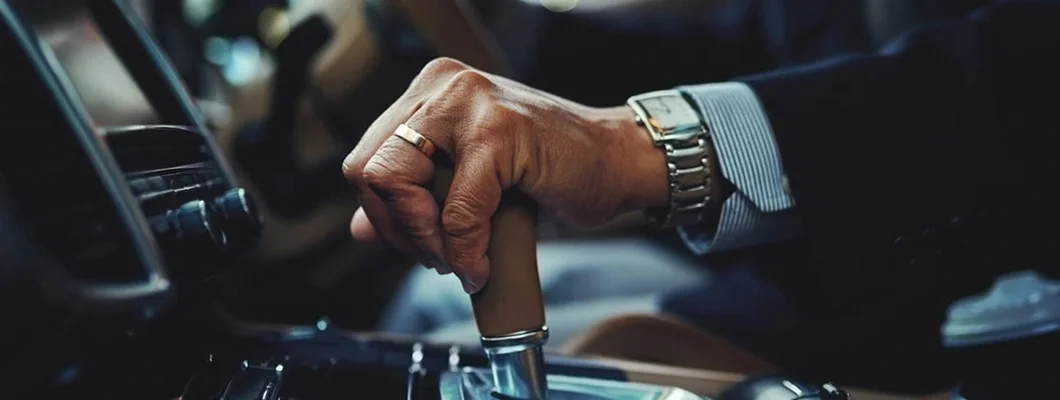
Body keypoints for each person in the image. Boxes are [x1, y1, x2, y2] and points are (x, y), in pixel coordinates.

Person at [343, 0, 1058, 392]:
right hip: (805, 257)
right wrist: (510, 24)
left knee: (443, 344)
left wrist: (632, 146)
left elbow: (1017, 84)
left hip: (938, 298)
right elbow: (757, 45)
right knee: (427, 302)